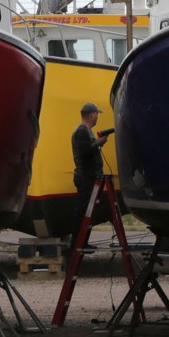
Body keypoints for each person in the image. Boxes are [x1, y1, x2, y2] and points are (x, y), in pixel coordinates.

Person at [70, 102, 111, 249]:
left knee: (87, 212)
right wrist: (98, 143)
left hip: (89, 176)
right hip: (86, 177)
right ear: (92, 114)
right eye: (97, 114)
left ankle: (82, 243)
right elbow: (84, 151)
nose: (97, 117)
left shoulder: (85, 131)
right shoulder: (82, 131)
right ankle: (77, 244)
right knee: (83, 212)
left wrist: (96, 144)